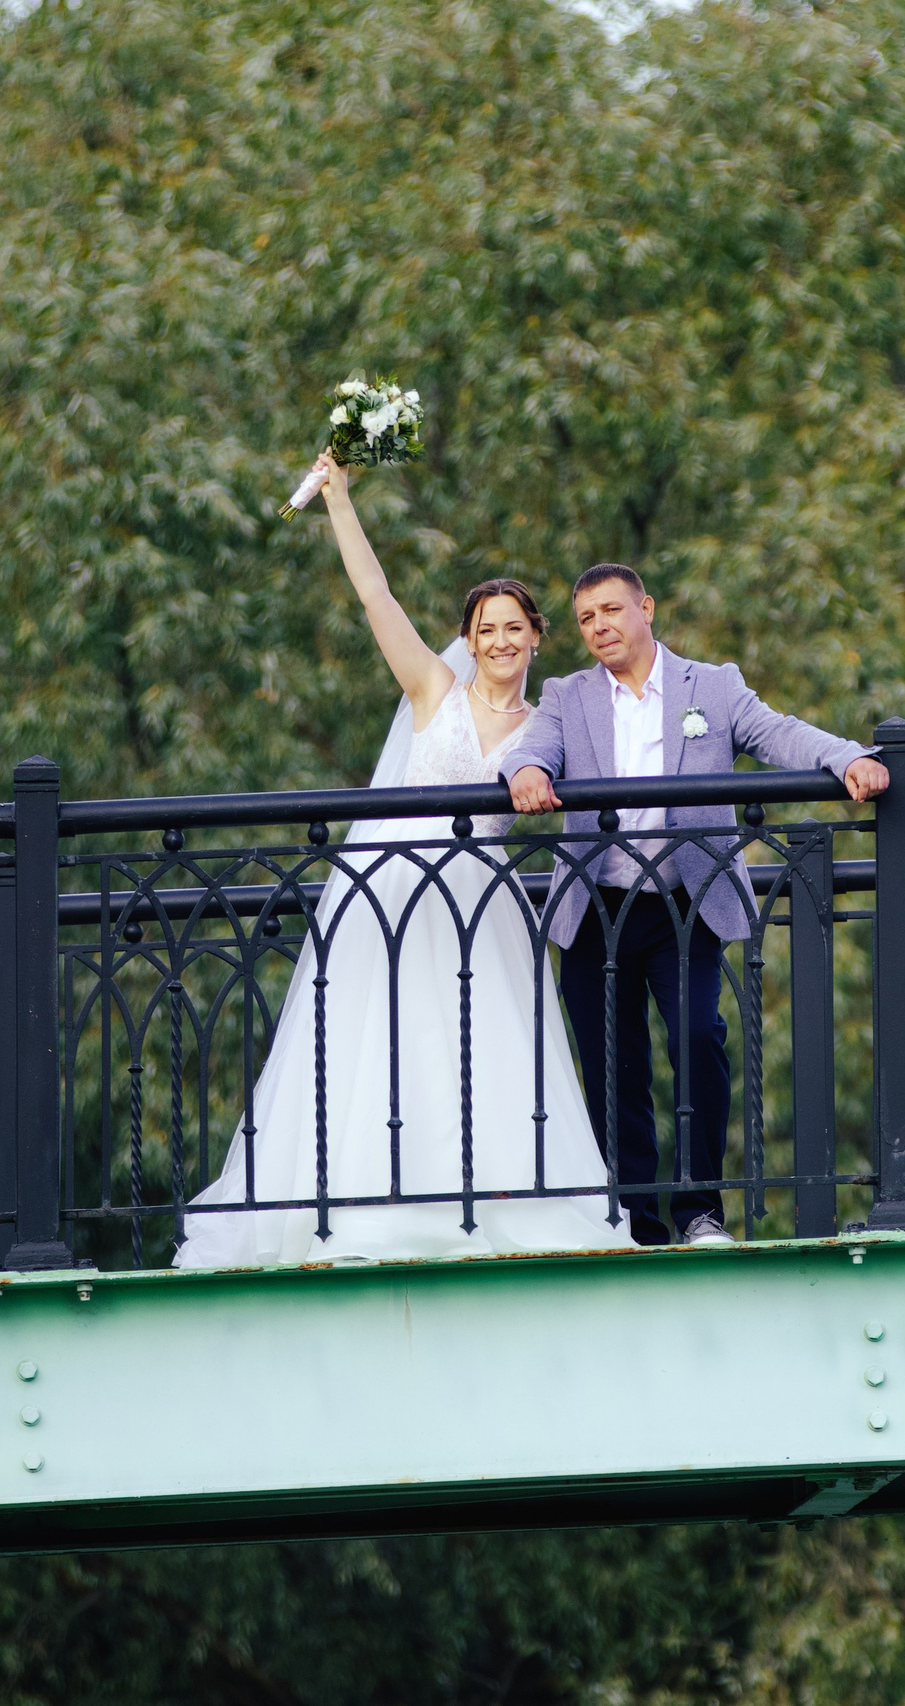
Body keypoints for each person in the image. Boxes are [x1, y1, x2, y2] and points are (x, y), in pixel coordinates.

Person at [174, 455, 629, 1266]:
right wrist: (341, 501)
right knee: (377, 1043)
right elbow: (376, 598)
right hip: (394, 891)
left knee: (477, 1051)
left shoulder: (548, 723)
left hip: (480, 904)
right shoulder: (432, 692)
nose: (499, 640)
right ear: (466, 640)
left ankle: (490, 1208)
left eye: (513, 628)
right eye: (484, 629)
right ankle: (360, 1212)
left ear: (535, 639)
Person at [506, 566, 888, 1245]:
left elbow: (780, 733)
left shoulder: (711, 685)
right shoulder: (566, 694)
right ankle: (636, 1222)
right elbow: (534, 748)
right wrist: (528, 772)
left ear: (645, 609)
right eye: (587, 617)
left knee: (698, 1040)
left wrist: (847, 758)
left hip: (685, 903)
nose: (600, 627)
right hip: (596, 909)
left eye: (612, 611)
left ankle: (698, 1213)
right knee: (611, 1066)